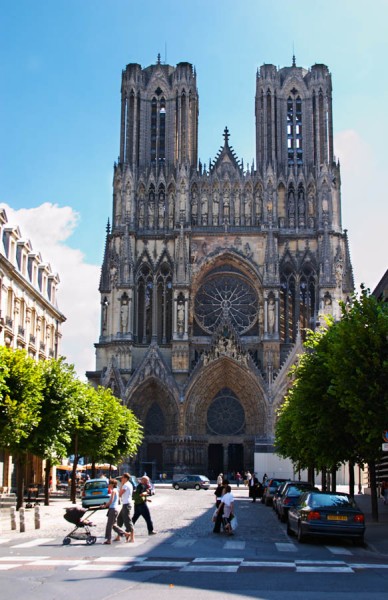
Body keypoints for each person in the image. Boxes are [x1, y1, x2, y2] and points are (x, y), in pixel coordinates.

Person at [102, 478, 130, 545]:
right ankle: (125, 534)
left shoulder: (113, 491)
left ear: (112, 484)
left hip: (113, 509)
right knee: (113, 525)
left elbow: (111, 501)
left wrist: (105, 505)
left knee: (109, 525)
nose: (108, 485)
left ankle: (108, 540)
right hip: (115, 509)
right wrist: (107, 504)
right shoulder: (116, 490)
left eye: (109, 484)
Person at [114, 473, 134, 543]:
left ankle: (132, 537)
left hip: (126, 504)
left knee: (127, 521)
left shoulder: (125, 485)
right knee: (120, 519)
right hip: (125, 504)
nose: (121, 479)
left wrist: (121, 485)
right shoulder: (129, 484)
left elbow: (120, 494)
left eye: (122, 478)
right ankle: (118, 536)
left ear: (125, 478)